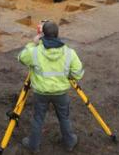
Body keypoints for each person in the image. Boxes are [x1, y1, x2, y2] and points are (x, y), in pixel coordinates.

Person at [17, 21, 84, 153]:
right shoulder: (69, 52)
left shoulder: (34, 52)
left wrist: (33, 43)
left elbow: (20, 57)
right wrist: (67, 76)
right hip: (61, 93)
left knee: (38, 118)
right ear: (57, 34)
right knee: (64, 117)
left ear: (43, 34)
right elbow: (78, 73)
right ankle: (69, 142)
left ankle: (33, 145)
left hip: (41, 92)